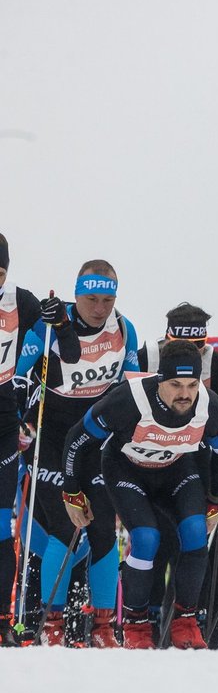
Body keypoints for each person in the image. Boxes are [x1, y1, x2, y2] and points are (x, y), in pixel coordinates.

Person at [60, 341, 218, 648]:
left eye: (192, 385)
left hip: (176, 471)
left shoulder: (210, 406)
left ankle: (186, 622)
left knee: (195, 532)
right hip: (127, 471)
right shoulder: (129, 400)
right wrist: (72, 492)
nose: (185, 394)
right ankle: (136, 624)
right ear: (159, 379)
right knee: (147, 538)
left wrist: (215, 501)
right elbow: (78, 439)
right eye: (176, 385)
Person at [16, 259, 137, 646]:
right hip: (50, 436)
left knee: (102, 530)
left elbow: (130, 387)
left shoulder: (125, 329)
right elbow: (19, 375)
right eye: (91, 299)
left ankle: (102, 627)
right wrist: (20, 423)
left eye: (107, 299)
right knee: (66, 528)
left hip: (94, 438)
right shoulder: (51, 323)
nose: (100, 308)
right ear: (77, 293)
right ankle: (50, 626)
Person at [137, 302, 218, 645]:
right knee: (157, 545)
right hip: (153, 466)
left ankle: (207, 634)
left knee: (210, 556)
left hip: (203, 469)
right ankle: (148, 623)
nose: (190, 355)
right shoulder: (147, 358)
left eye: (198, 347)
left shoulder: (217, 363)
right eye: (179, 346)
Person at [0, 233, 71, 646]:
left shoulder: (19, 301)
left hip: (3, 420)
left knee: (0, 529)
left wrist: (56, 317)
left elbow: (60, 354)